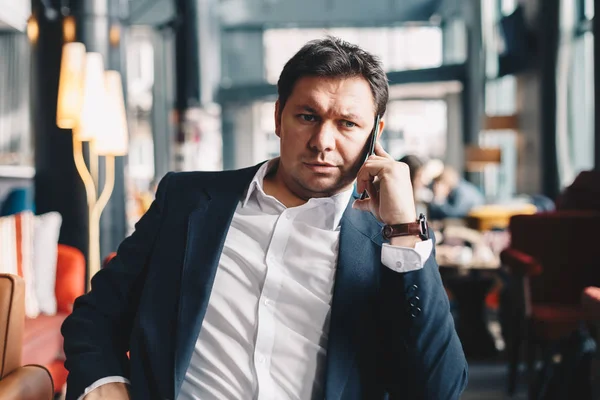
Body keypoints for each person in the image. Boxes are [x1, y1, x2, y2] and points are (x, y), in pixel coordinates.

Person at [62, 37, 467, 400]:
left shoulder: (389, 241)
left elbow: (439, 387)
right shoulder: (187, 200)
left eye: (347, 123)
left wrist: (405, 231)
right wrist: (105, 381)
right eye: (308, 116)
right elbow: (95, 317)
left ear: (375, 135)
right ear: (278, 118)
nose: (323, 142)